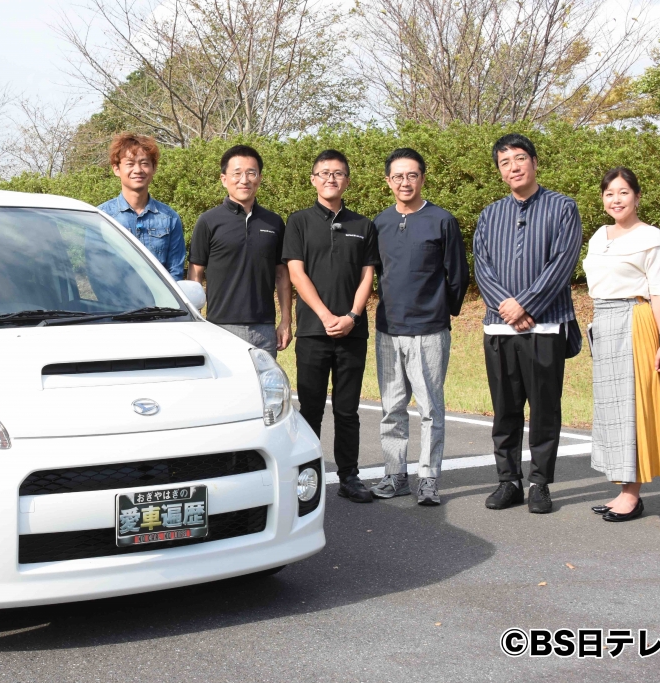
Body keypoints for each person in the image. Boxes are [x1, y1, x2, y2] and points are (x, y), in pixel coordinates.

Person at [473, 133, 582, 514]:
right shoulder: (490, 214)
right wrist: (507, 307)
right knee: (505, 409)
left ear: (535, 162)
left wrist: (526, 305)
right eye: (505, 162)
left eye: (520, 158)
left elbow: (562, 264)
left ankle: (539, 483)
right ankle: (508, 482)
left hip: (545, 325)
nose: (514, 166)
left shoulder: (563, 207)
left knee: (544, 408)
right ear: (500, 172)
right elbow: (481, 266)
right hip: (499, 327)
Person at [369, 148, 469, 506]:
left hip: (429, 329)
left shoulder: (442, 219)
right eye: (398, 176)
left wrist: (443, 312)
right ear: (388, 182)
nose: (405, 182)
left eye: (412, 175)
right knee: (392, 408)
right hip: (388, 329)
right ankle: (395, 475)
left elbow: (457, 275)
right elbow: (376, 273)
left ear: (422, 178)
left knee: (430, 408)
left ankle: (428, 478)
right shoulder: (379, 223)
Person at [283, 149, 381, 503]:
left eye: (338, 173)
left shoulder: (363, 226)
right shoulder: (298, 222)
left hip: (352, 331)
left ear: (347, 181)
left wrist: (351, 316)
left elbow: (368, 274)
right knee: (309, 410)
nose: (330, 179)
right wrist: (325, 316)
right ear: (313, 180)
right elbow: (296, 272)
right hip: (313, 331)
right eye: (323, 173)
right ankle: (307, 480)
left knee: (347, 409)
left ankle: (350, 477)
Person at [583, 167, 660, 522]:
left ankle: (631, 495)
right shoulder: (599, 236)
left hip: (635, 321)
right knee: (611, 410)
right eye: (609, 193)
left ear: (636, 196)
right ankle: (622, 487)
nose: (616, 199)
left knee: (632, 407)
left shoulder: (650, 236)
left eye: (623, 192)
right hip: (604, 322)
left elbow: (659, 294)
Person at [188, 145, 291, 358]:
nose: (244, 180)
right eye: (237, 173)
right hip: (220, 326)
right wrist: (197, 322)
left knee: (264, 389)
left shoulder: (274, 222)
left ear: (259, 178)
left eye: (251, 173)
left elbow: (282, 275)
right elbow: (196, 273)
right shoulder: (208, 221)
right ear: (224, 179)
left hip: (264, 327)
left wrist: (286, 322)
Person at [98, 133, 186, 280]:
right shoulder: (102, 217)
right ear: (116, 169)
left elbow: (175, 272)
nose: (138, 170)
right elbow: (96, 271)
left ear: (153, 168)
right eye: (130, 164)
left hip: (161, 302)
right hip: (116, 302)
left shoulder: (170, 218)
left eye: (144, 163)